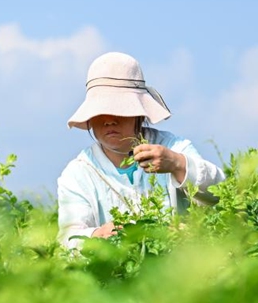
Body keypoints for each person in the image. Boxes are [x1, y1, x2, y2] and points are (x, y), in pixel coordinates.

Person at [57, 52, 225, 249]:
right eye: (100, 111)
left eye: (119, 110)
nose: (109, 119)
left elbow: (219, 194)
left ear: (139, 113)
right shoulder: (79, 173)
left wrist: (176, 164)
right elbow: (69, 239)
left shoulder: (173, 148)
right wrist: (98, 235)